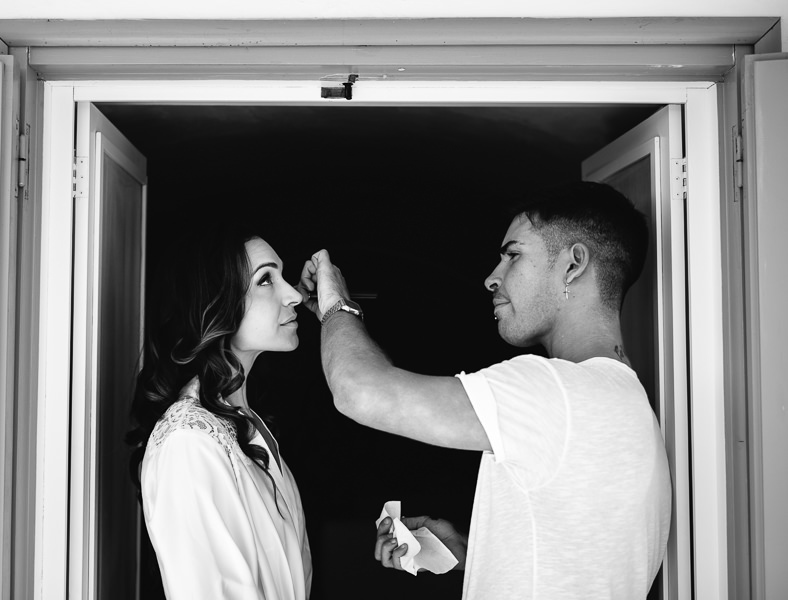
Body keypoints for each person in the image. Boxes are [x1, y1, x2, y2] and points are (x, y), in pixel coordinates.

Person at [298, 182, 672, 599]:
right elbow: (580, 560)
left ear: (573, 265)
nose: (491, 279)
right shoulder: (624, 403)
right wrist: (474, 551)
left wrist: (337, 304)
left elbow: (360, 392)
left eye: (512, 255)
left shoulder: (555, 391)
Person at [126, 226, 312, 600]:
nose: (293, 295)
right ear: (216, 302)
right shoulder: (188, 442)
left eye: (284, 276)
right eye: (265, 280)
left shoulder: (243, 424)